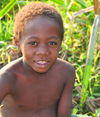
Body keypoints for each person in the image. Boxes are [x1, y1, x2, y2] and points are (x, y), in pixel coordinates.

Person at [0, 2, 75, 117]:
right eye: (33, 43)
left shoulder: (65, 72)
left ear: (61, 43)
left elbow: (64, 115)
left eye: (52, 43)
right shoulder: (7, 77)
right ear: (17, 43)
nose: (43, 51)